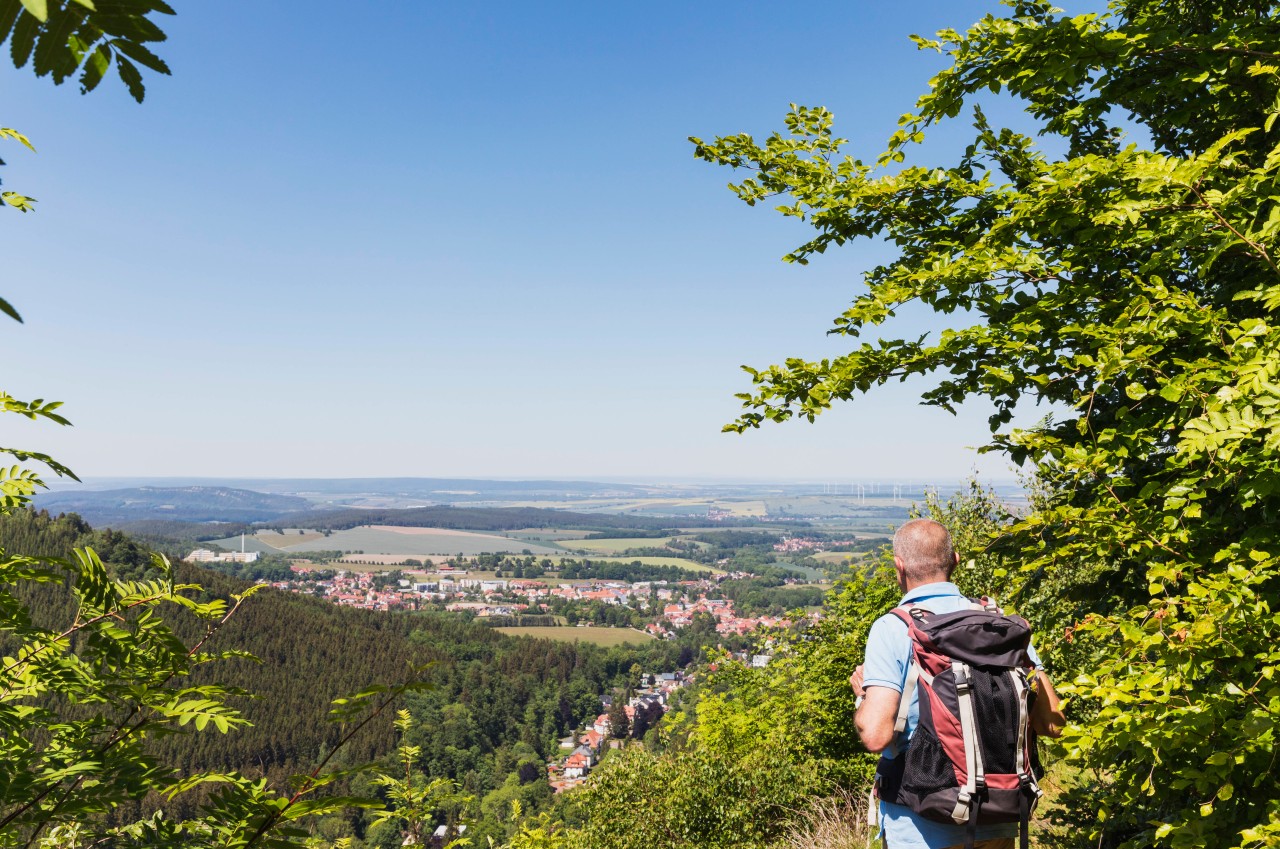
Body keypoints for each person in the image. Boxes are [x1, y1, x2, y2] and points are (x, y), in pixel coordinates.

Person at [849, 519, 1065, 849]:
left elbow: (876, 734)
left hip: (922, 822)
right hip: (999, 816)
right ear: (955, 560)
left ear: (899, 566)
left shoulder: (893, 628)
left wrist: (862, 696)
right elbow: (1052, 724)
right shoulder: (1000, 624)